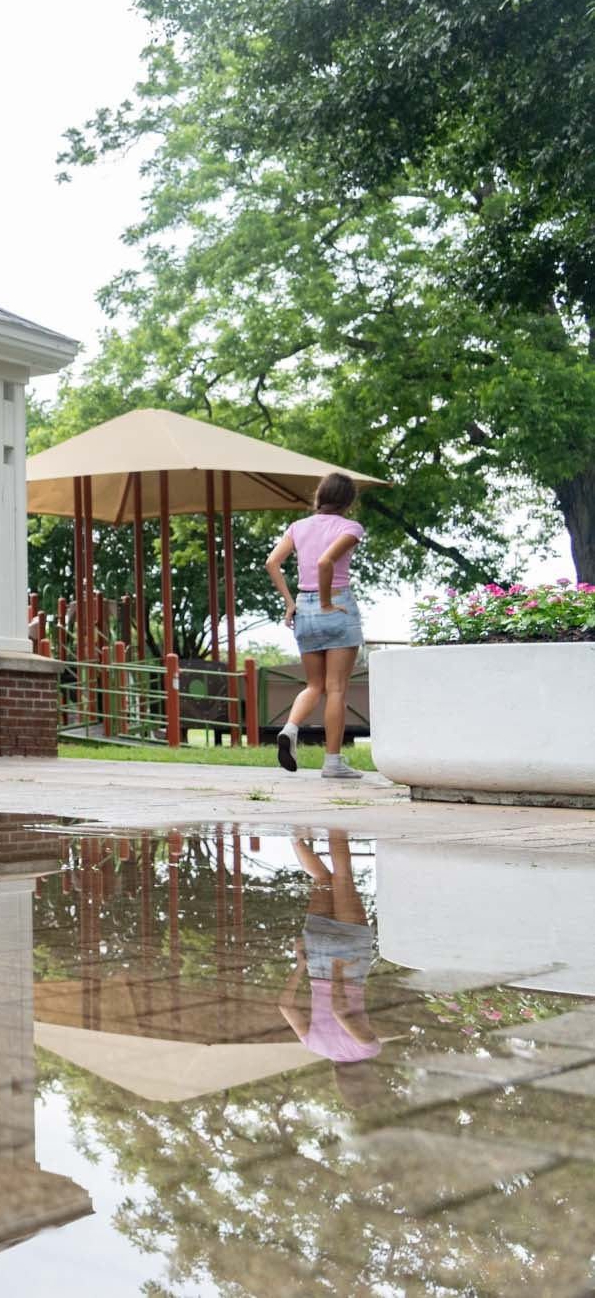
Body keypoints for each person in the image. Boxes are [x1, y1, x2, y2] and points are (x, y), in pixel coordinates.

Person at [264, 471, 366, 779]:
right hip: (336, 604)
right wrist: (325, 602)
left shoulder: (298, 527)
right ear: (348, 500)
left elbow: (272, 563)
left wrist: (290, 602)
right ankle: (333, 763)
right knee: (336, 689)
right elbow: (325, 562)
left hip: (303, 608)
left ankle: (291, 728)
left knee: (313, 685)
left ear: (320, 495)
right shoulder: (350, 527)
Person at [279, 829, 383, 1101]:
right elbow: (284, 1007)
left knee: (342, 877)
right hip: (315, 960)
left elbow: (341, 1011)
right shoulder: (314, 1046)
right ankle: (294, 837)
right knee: (323, 880)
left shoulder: (367, 1049)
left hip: (348, 963)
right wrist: (301, 964)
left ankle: (336, 822)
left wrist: (338, 971)